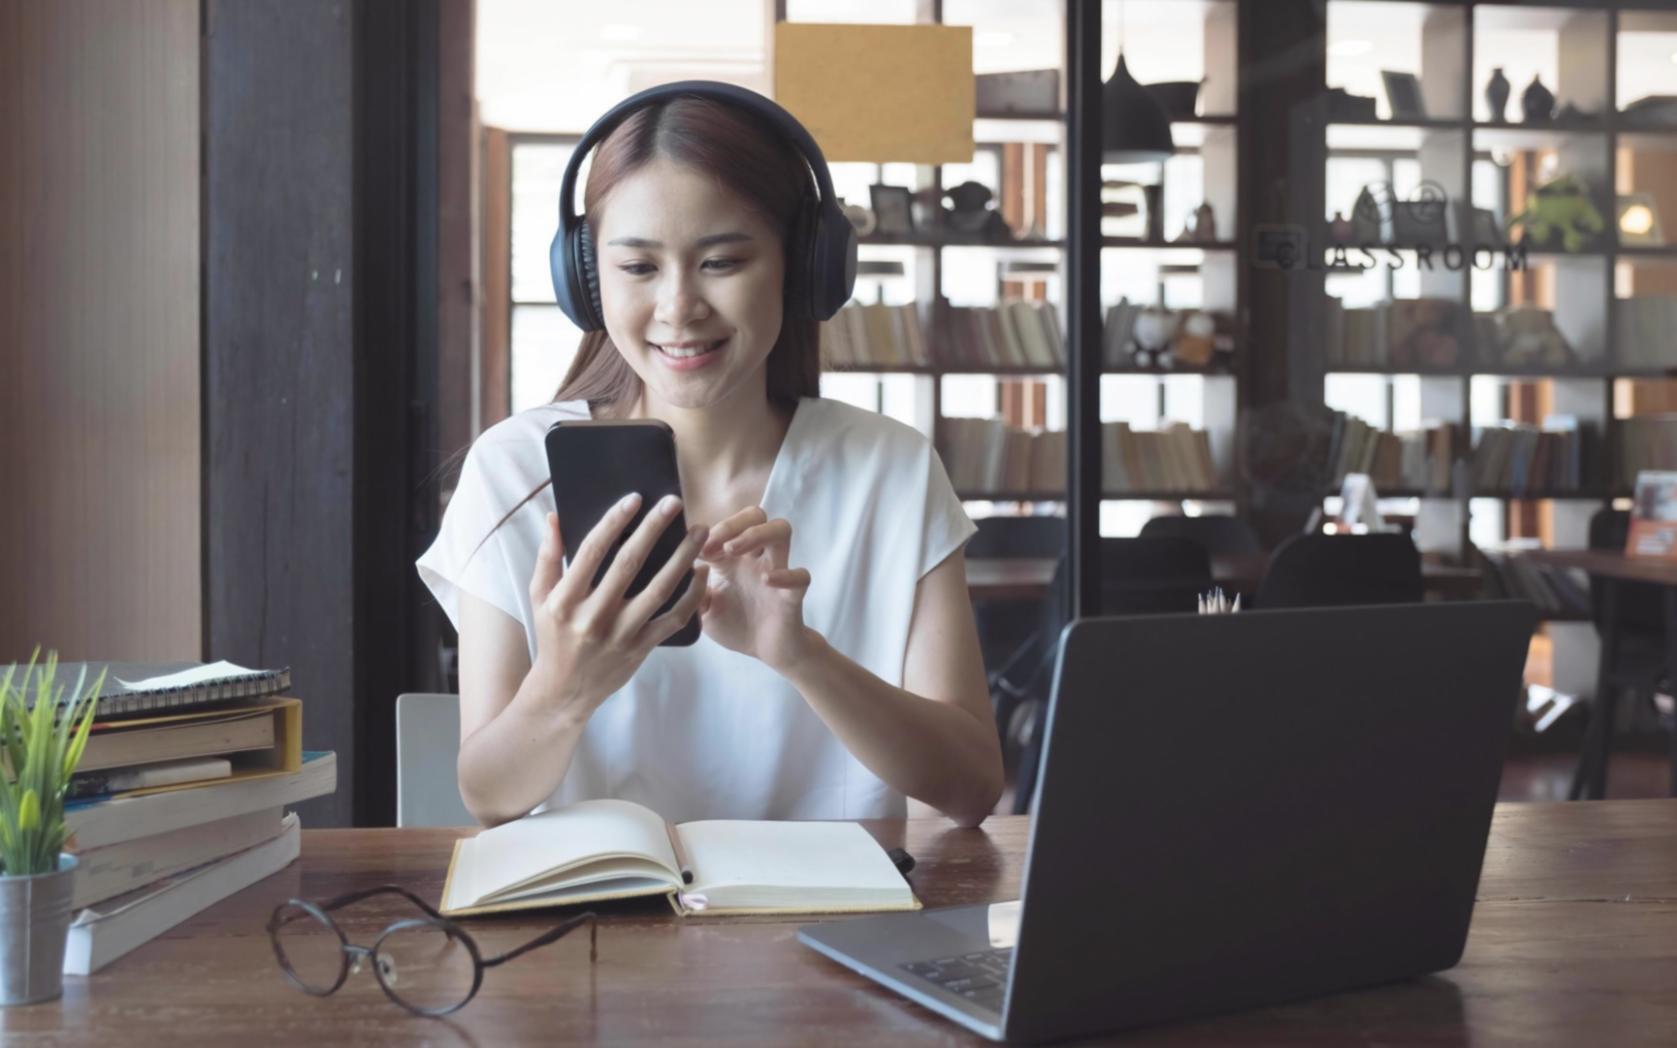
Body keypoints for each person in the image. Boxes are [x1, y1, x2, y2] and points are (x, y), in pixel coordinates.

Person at [416, 83, 1003, 830]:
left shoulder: (889, 469)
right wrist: (567, 682)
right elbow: (489, 796)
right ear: (586, 280)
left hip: (830, 933)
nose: (677, 308)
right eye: (637, 268)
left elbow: (971, 788)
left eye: (720, 262)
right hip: (592, 934)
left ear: (805, 266)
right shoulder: (513, 472)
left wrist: (801, 657)